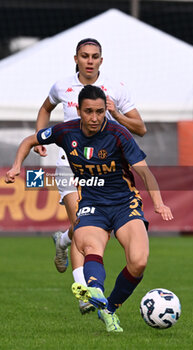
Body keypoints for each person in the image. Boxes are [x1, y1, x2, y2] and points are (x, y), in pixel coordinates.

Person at [5, 85, 173, 333]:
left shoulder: (119, 134)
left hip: (125, 204)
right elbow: (30, 140)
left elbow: (144, 172)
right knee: (91, 246)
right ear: (78, 111)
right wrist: (17, 166)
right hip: (92, 205)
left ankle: (108, 308)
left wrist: (158, 203)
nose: (95, 118)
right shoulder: (65, 132)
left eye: (100, 111)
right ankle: (95, 290)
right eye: (89, 112)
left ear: (105, 110)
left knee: (138, 262)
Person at [34, 38, 147, 314]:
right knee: (81, 222)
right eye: (84, 56)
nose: (89, 61)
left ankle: (63, 240)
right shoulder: (62, 86)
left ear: (101, 60)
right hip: (68, 165)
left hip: (102, 171)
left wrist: (116, 114)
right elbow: (45, 109)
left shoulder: (116, 89)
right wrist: (40, 138)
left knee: (81, 231)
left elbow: (141, 128)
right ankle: (85, 293)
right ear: (76, 59)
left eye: (94, 56)